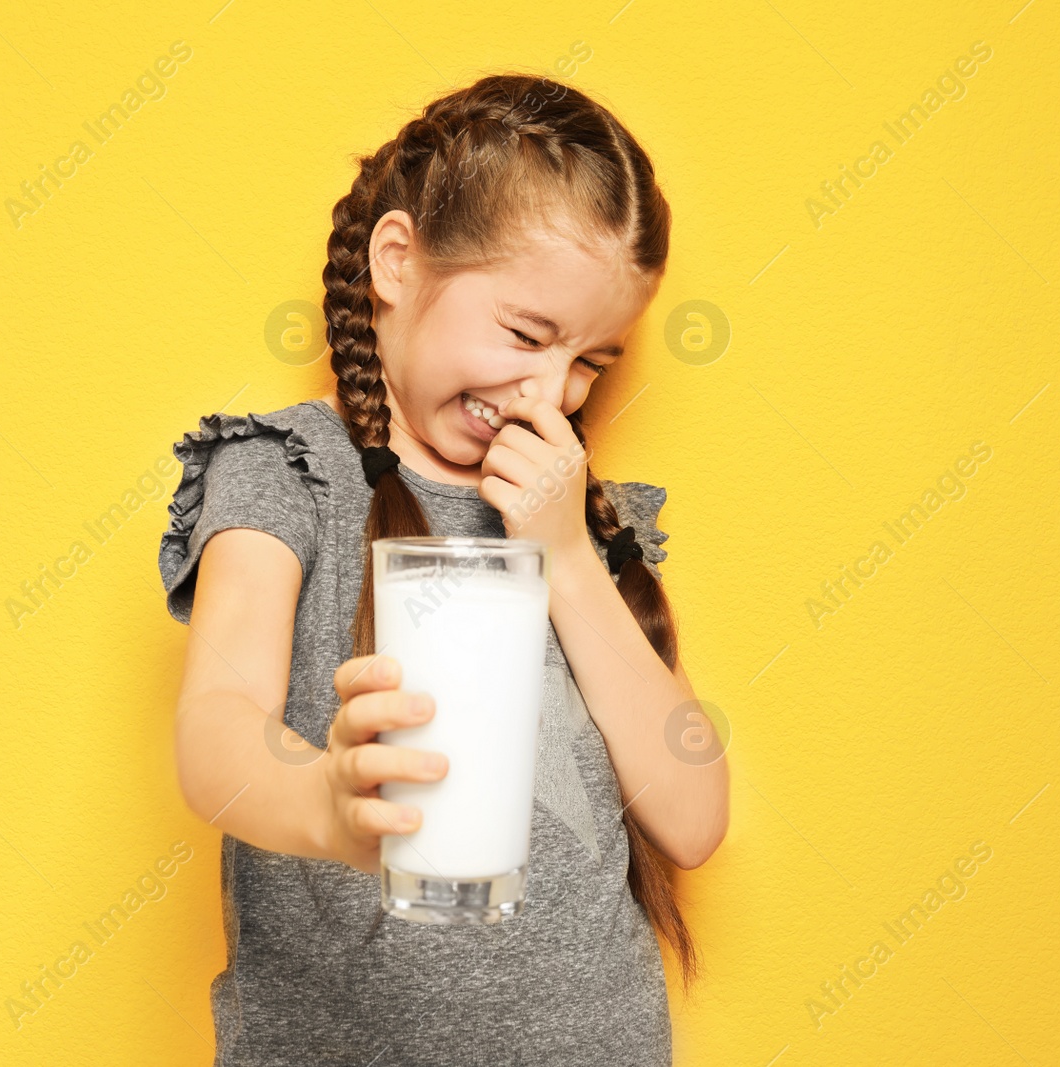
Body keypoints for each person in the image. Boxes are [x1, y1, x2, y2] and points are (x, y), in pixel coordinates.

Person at [157, 72, 728, 1066]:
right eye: (525, 333)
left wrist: (559, 552)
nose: (551, 388)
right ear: (396, 261)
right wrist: (321, 801)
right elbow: (214, 726)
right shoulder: (289, 473)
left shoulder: (580, 517)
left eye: (591, 360)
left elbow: (692, 815)